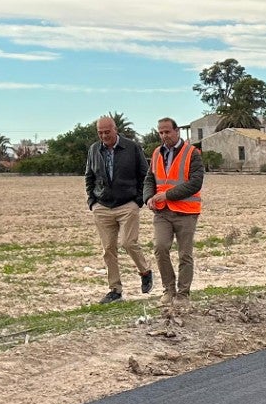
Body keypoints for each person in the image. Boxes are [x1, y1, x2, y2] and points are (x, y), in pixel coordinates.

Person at [85, 115, 151, 303]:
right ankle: (115, 290)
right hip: (103, 206)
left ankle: (145, 271)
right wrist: (92, 201)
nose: (104, 136)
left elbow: (145, 175)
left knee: (129, 243)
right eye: (100, 133)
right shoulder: (94, 150)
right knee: (108, 249)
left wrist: (139, 200)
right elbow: (89, 176)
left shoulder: (132, 147)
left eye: (107, 132)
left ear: (115, 129)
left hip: (127, 204)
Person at [144, 117, 204, 300]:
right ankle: (168, 290)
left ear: (176, 131)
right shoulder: (156, 153)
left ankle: (183, 294)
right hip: (162, 212)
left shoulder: (192, 153)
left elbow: (195, 182)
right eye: (161, 132)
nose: (164, 135)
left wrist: (168, 195)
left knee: (185, 254)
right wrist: (147, 198)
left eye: (167, 132)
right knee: (160, 248)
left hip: (186, 211)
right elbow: (150, 178)